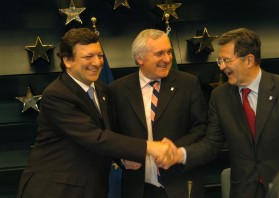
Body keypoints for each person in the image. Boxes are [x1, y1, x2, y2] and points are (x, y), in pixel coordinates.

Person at [16, 28, 173, 198]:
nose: (97, 62)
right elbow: (95, 138)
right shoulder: (57, 94)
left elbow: (109, 133)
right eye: (88, 57)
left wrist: (122, 158)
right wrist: (150, 146)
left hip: (92, 188)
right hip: (56, 190)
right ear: (68, 60)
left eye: (99, 55)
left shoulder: (103, 90)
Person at [161, 28, 279, 198]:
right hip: (243, 191)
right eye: (220, 60)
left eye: (226, 60)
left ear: (249, 60)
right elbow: (212, 144)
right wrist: (180, 154)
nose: (222, 67)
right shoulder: (220, 96)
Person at [109, 29, 208, 198]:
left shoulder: (188, 83)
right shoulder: (117, 90)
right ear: (140, 58)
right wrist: (122, 159)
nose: (168, 59)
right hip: (138, 188)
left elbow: (201, 127)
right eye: (159, 53)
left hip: (181, 185)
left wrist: (173, 150)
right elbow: (111, 135)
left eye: (169, 52)